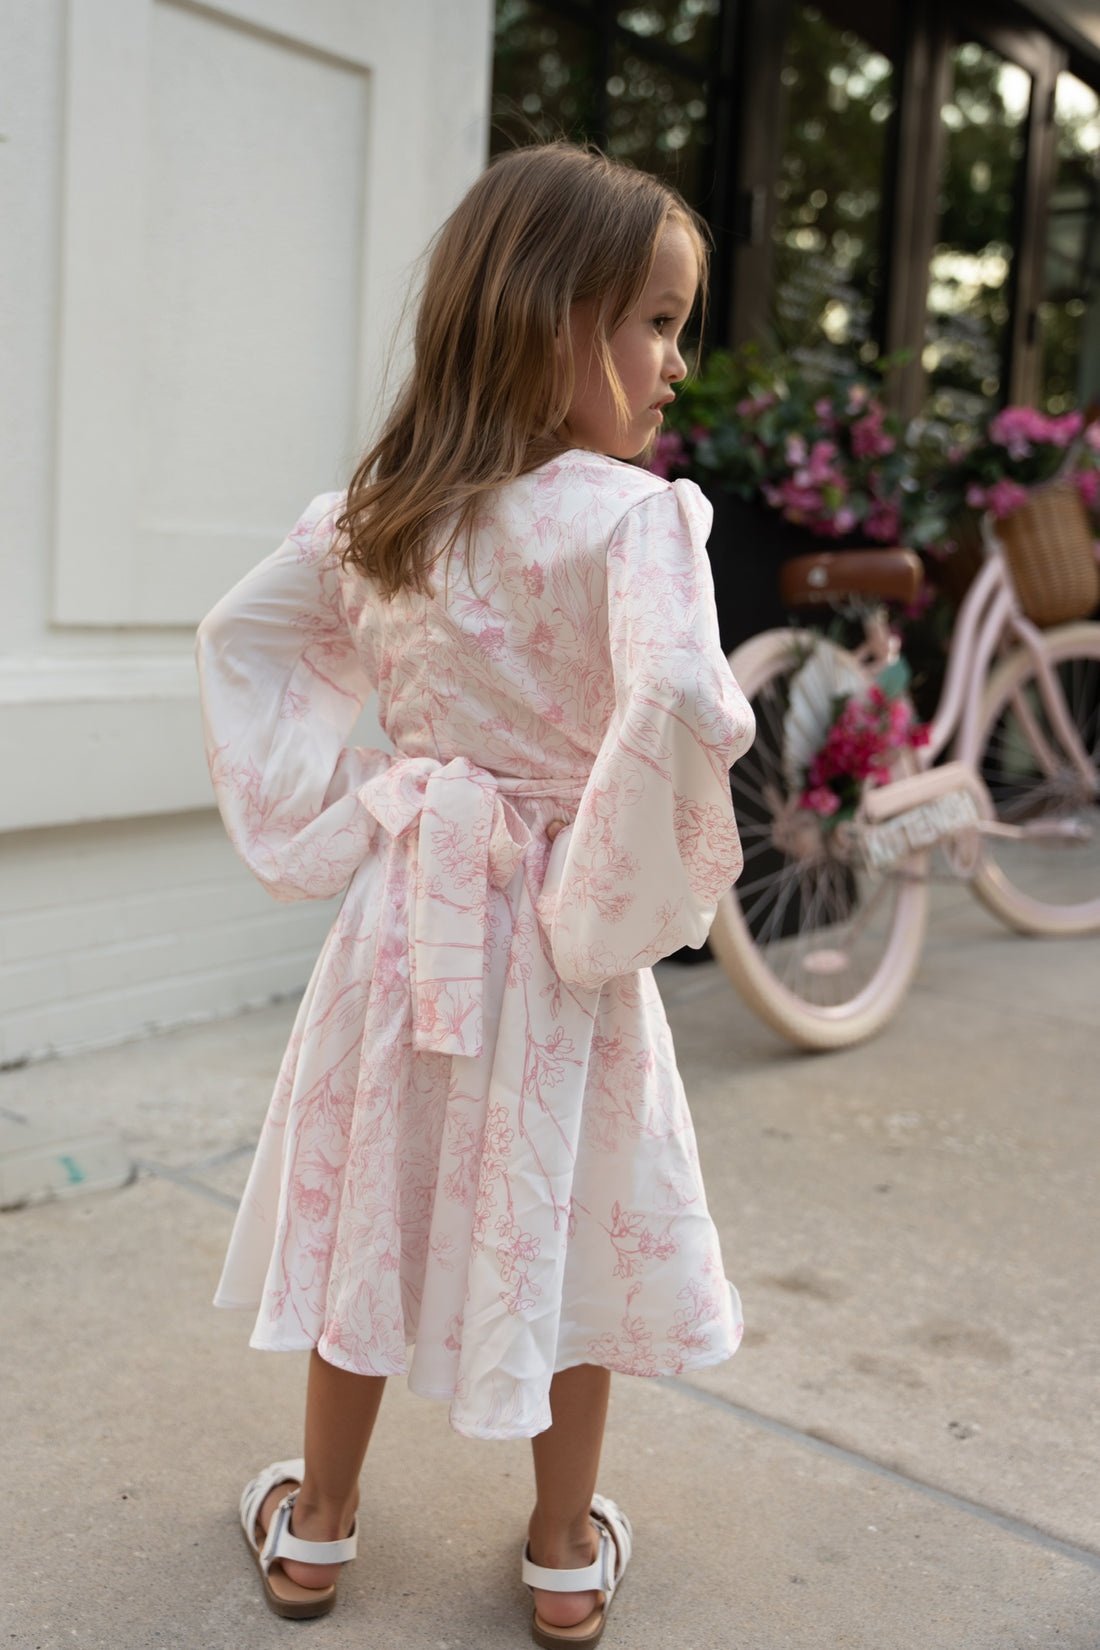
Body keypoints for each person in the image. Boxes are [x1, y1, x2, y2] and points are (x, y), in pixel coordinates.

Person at [196, 141, 754, 1647]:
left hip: (402, 924)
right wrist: (621, 884)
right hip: (555, 936)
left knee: (368, 1201)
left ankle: (316, 1525)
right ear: (546, 315)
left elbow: (244, 647)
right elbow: (682, 702)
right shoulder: (632, 524)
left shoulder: (374, 516)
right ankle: (564, 1550)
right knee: (563, 1208)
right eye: (651, 319)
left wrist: (348, 806)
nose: (673, 363)